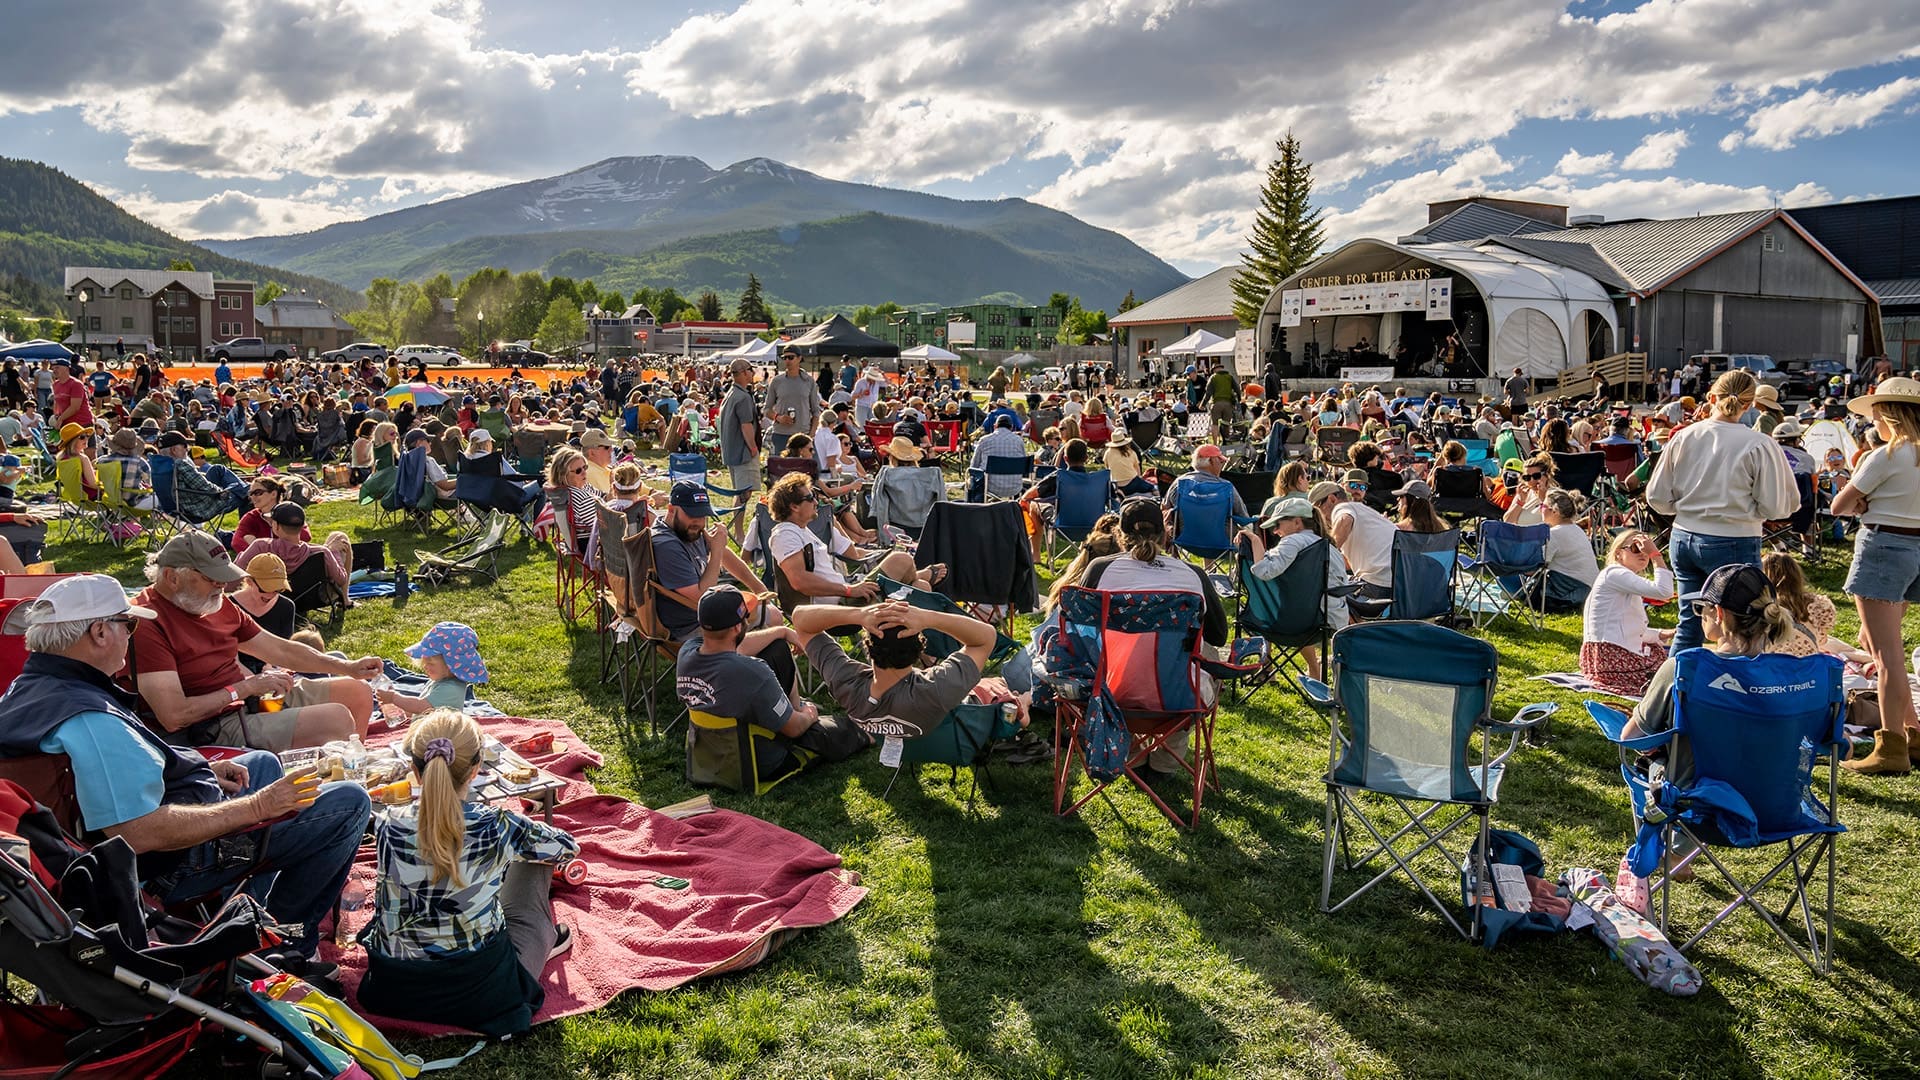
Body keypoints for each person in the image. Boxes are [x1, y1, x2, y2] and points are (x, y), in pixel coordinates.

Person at [0, 573, 368, 971]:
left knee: (259, 762)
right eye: (129, 625)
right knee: (348, 804)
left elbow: (117, 769)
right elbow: (137, 832)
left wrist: (202, 768)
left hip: (87, 854)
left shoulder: (30, 689)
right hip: (156, 870)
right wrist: (260, 806)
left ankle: (247, 911)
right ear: (100, 632)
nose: (132, 635)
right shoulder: (88, 716)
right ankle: (283, 943)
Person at [358, 710, 577, 1037]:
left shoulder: (389, 824)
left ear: (414, 771)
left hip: (393, 987)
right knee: (535, 857)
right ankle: (544, 935)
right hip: (478, 994)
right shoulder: (499, 825)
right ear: (476, 770)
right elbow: (566, 848)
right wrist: (530, 833)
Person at [130, 532, 381, 751]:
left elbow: (278, 648)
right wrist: (245, 688)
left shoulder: (216, 603)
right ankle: (332, 786)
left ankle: (351, 772)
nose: (221, 585)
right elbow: (174, 715)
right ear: (172, 577)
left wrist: (348, 668)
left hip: (248, 703)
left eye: (223, 577)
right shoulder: (147, 622)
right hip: (210, 728)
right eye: (211, 578)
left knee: (355, 691)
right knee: (334, 720)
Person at [1645, 370, 1798, 653]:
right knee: (1743, 627)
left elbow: (1656, 496)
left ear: (1711, 397)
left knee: (1689, 622)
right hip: (1734, 537)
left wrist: (1685, 508)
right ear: (1750, 404)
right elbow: (1777, 507)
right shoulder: (1759, 444)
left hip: (1685, 535)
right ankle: (1740, 691)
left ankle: (1675, 690)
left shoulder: (1684, 437)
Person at [1080, 498, 1228, 777]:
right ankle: (1166, 760)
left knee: (1121, 653)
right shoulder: (1192, 575)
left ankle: (1132, 754)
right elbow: (1218, 635)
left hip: (1110, 693)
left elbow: (1079, 633)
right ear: (1164, 534)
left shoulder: (1100, 570)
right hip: (1178, 699)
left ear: (1119, 536)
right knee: (1205, 653)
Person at [1621, 563, 1800, 790]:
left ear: (1718, 613)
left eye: (1700, 607)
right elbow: (1842, 747)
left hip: (1699, 804)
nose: (1700, 615)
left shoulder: (1683, 668)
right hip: (1776, 808)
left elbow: (1631, 737)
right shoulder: (1796, 678)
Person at [676, 585, 869, 778]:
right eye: (746, 618)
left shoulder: (687, 652)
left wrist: (781, 632)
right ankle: (867, 733)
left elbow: (738, 647)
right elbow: (794, 729)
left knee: (775, 648)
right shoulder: (754, 672)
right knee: (837, 731)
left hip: (709, 754)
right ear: (737, 627)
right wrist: (809, 713)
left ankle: (795, 707)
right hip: (757, 763)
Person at [1829, 377, 1920, 774]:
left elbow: (1839, 506)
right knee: (1879, 643)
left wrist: (1866, 500)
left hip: (1884, 548)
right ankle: (1912, 733)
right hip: (1915, 548)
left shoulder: (1886, 455)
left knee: (1886, 656)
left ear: (1887, 416)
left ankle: (1891, 747)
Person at [791, 599, 1011, 739]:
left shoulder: (846, 682)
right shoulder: (937, 689)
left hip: (882, 729)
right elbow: (985, 638)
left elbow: (800, 619)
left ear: (868, 647)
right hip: (942, 735)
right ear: (919, 650)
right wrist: (928, 617)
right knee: (995, 685)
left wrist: (858, 615)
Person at [767, 473, 931, 603]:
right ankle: (922, 574)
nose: (816, 502)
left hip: (846, 592)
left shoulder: (802, 530)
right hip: (838, 604)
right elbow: (800, 581)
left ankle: (917, 641)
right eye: (810, 498)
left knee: (921, 587)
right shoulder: (785, 534)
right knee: (901, 559)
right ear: (794, 506)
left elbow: (850, 552)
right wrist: (849, 590)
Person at [1240, 494, 1353, 679]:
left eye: (1278, 525)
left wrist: (1254, 540)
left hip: (1296, 621)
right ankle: (1314, 669)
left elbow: (1263, 571)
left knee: (1271, 602)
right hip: (1329, 620)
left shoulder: (1293, 541)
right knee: (1296, 600)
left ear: (1297, 523)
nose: (1275, 531)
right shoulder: (1327, 546)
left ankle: (1265, 668)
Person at [650, 481, 773, 644]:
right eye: (692, 515)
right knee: (773, 618)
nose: (699, 522)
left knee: (768, 615)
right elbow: (701, 597)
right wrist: (716, 553)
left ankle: (751, 664)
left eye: (703, 515)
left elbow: (725, 555)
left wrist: (758, 587)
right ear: (671, 510)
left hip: (703, 616)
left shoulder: (685, 529)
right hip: (692, 627)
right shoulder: (667, 545)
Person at [377, 622, 490, 717]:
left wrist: (394, 698)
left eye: (430, 663)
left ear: (451, 665)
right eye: (424, 662)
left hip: (441, 739)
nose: (425, 666)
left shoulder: (451, 689)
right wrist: (400, 710)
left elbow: (422, 707)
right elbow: (422, 712)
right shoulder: (440, 681)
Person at [237, 501, 349, 592]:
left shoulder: (261, 547)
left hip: (270, 599)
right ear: (302, 527)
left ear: (276, 526)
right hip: (311, 598)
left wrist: (240, 557)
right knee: (339, 537)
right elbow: (341, 579)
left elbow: (235, 579)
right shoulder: (321, 552)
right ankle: (345, 601)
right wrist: (333, 552)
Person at [1319, 474, 1394, 600]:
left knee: (1324, 589)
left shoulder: (1342, 508)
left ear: (1332, 499)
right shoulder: (1368, 512)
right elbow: (1349, 563)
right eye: (1354, 485)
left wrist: (1326, 553)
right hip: (1401, 585)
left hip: (1375, 585)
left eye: (1318, 510)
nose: (1320, 518)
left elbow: (1345, 518)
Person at [718, 358, 762, 541]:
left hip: (732, 452)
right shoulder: (743, 396)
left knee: (741, 492)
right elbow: (746, 426)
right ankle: (738, 533)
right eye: (751, 370)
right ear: (744, 372)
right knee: (744, 493)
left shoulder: (731, 394)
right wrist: (753, 447)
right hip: (743, 453)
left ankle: (738, 532)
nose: (753, 373)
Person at [1538, 488, 1599, 610]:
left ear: (1555, 511)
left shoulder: (1554, 534)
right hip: (1591, 591)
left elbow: (1536, 566)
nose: (1540, 510)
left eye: (1543, 506)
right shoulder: (1577, 530)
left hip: (1570, 591)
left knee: (1517, 579)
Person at [229, 553, 297, 661]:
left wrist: (272, 667)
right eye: (266, 588)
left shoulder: (286, 607)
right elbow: (226, 654)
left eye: (278, 589)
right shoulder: (229, 606)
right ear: (249, 581)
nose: (271, 594)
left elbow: (284, 649)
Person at [1163, 443, 1247, 523]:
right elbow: (1243, 518)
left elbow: (1165, 508)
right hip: (1221, 536)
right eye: (1220, 460)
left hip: (1184, 536)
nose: (1222, 463)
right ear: (1211, 461)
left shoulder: (1179, 483)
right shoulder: (1225, 487)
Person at [764, 351, 822, 459]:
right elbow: (766, 409)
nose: (787, 360)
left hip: (803, 436)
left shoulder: (809, 381)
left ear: (799, 358)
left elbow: (816, 411)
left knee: (808, 472)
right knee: (782, 472)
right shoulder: (777, 381)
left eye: (790, 357)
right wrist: (778, 418)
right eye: (784, 357)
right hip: (781, 434)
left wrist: (811, 434)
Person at [231, 475, 303, 553]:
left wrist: (260, 545)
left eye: (258, 492)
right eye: (250, 493)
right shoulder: (251, 516)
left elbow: (305, 535)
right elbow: (236, 542)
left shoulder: (289, 511)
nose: (253, 497)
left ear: (273, 494)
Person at [969, 414, 1029, 499]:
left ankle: (975, 508)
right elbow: (1023, 463)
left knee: (974, 479)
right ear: (1011, 427)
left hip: (989, 487)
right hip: (1015, 487)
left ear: (995, 426)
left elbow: (974, 465)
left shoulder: (984, 440)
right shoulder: (1019, 441)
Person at [1502, 453, 1557, 526]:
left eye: (1536, 476)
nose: (1531, 481)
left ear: (1547, 475)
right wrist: (1520, 502)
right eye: (1527, 478)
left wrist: (1544, 499)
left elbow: (1556, 523)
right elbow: (1507, 522)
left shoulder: (1556, 495)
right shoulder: (1523, 494)